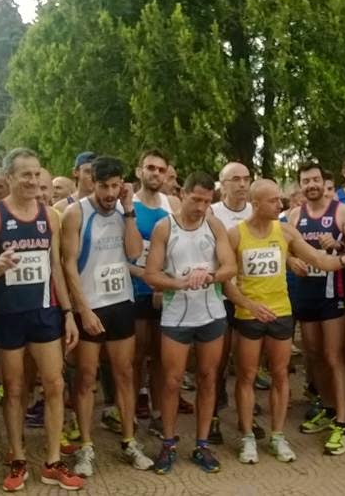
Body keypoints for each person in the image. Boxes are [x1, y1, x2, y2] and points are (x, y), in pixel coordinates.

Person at [226, 179, 345, 464]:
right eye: (273, 201)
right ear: (256, 204)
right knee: (247, 376)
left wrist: (343, 260)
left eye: (280, 199)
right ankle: (248, 436)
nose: (281, 205)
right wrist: (249, 305)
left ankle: (277, 436)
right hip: (249, 315)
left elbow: (317, 259)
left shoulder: (286, 231)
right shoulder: (235, 235)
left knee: (280, 374)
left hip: (281, 313)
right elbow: (226, 282)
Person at [0, 148, 84, 492]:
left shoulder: (50, 216)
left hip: (44, 312)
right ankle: (18, 457)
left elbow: (55, 268)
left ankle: (52, 461)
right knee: (15, 388)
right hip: (7, 314)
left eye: (37, 174)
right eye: (26, 175)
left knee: (54, 384)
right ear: (9, 178)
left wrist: (68, 314)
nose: (33, 181)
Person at [60, 156, 154, 474]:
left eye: (116, 186)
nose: (110, 193)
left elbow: (133, 252)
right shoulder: (75, 213)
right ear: (92, 183)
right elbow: (68, 264)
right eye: (104, 186)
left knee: (124, 373)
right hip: (91, 304)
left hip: (121, 302)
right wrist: (83, 309)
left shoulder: (124, 211)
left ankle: (129, 441)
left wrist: (128, 211)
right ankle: (86, 447)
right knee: (86, 378)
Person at [143, 172, 237, 475]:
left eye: (207, 201)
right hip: (176, 316)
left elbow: (230, 266)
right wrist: (179, 283)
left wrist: (210, 276)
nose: (201, 207)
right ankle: (168, 443)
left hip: (211, 314)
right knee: (172, 381)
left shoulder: (214, 224)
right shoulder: (164, 227)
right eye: (196, 199)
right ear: (182, 194)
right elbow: (151, 274)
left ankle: (202, 444)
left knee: (208, 378)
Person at [286, 162, 345, 453]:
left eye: (316, 179)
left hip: (334, 295)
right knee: (314, 355)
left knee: (333, 355)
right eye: (306, 181)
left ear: (323, 181)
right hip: (306, 294)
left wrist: (339, 247)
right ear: (300, 186)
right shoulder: (294, 215)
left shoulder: (342, 212)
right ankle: (328, 408)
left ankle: (342, 422)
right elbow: (285, 249)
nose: (312, 185)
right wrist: (292, 261)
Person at [129, 150, 182, 439]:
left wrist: (165, 282)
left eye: (161, 170)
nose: (155, 174)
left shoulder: (172, 204)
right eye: (150, 167)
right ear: (139, 171)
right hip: (135, 289)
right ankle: (131, 412)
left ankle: (160, 414)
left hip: (165, 291)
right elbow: (119, 254)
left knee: (163, 357)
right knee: (135, 355)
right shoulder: (128, 205)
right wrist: (147, 276)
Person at [207, 161, 253, 445]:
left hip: (251, 296)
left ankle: (246, 417)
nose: (242, 184)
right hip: (221, 296)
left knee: (248, 363)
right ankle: (212, 415)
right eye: (235, 179)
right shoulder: (213, 213)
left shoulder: (256, 211)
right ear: (222, 185)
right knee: (218, 360)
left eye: (246, 178)